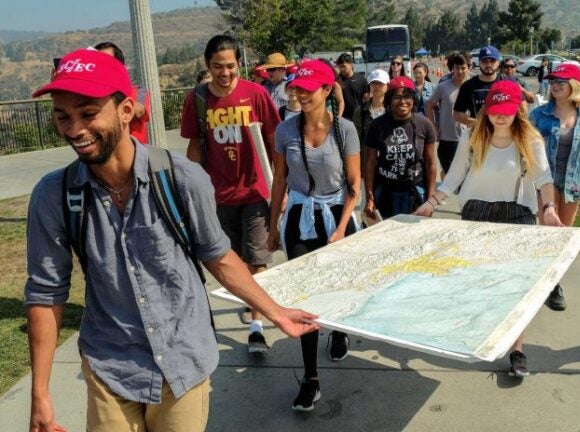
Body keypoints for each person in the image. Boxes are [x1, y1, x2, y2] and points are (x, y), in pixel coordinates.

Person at [25, 48, 318, 432]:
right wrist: (41, 395)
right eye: (63, 116)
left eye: (88, 113)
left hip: (183, 360)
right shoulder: (55, 195)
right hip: (109, 364)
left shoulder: (179, 178)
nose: (74, 129)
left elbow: (220, 257)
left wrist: (276, 312)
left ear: (126, 110)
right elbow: (47, 293)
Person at [415, 80, 564, 377]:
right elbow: (454, 176)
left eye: (506, 110)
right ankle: (483, 334)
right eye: (495, 110)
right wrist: (431, 202)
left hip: (517, 213)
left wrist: (548, 208)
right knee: (480, 281)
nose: (500, 116)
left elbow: (544, 178)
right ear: (486, 110)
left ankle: (517, 349)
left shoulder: (530, 139)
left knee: (516, 287)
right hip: (477, 212)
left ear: (517, 110)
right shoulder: (472, 136)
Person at [267, 60, 361, 411]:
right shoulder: (285, 130)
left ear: (326, 91)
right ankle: (310, 378)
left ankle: (338, 330)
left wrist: (340, 230)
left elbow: (354, 185)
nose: (300, 94)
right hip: (300, 218)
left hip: (337, 212)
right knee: (304, 296)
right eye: (296, 88)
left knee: (337, 285)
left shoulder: (345, 130)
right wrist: (273, 224)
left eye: (308, 89)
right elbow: (279, 180)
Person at [180, 35, 280, 354]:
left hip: (254, 193)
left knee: (257, 260)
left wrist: (280, 186)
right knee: (230, 263)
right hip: (217, 197)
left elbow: (276, 142)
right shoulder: (196, 100)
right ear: (207, 65)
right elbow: (194, 147)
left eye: (231, 67)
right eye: (217, 67)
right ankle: (251, 304)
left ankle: (256, 328)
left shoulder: (256, 95)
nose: (225, 73)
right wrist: (190, 190)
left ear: (240, 64)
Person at [530, 63, 580, 311]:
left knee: (562, 234)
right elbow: (526, 150)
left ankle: (554, 280)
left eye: (561, 81)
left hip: (573, 184)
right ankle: (549, 283)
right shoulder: (538, 115)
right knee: (546, 231)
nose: (555, 85)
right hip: (544, 183)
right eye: (552, 81)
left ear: (574, 85)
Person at [363, 76, 437, 219]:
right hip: (385, 192)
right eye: (397, 97)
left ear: (413, 99)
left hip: (415, 191)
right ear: (389, 100)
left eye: (407, 97)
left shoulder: (424, 124)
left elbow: (431, 163)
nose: (403, 101)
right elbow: (369, 163)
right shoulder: (376, 126)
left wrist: (430, 199)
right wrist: (369, 198)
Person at [94, 42, 150, 144]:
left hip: (134, 156)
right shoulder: (91, 95)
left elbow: (138, 111)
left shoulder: (139, 91)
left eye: (105, 61)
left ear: (120, 66)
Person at [427, 52, 470, 177]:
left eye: (463, 68)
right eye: (457, 68)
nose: (460, 71)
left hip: (468, 138)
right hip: (447, 138)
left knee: (466, 173)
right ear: (452, 68)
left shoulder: (472, 87)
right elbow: (429, 105)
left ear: (468, 68)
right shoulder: (443, 87)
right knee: (447, 171)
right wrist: (433, 127)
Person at [453, 45, 502, 128]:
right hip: (477, 137)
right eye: (484, 61)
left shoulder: (508, 83)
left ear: (498, 63)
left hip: (503, 136)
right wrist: (479, 124)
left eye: (492, 61)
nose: (488, 64)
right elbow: (457, 114)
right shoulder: (468, 86)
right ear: (479, 62)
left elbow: (521, 107)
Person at [353, 69, 389, 145]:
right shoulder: (359, 111)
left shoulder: (393, 109)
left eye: (380, 83)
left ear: (387, 86)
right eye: (373, 83)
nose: (376, 86)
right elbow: (357, 139)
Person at [336, 53, 367, 120]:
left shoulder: (361, 79)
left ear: (351, 64)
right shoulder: (337, 81)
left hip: (359, 117)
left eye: (344, 66)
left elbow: (366, 99)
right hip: (343, 117)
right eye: (340, 67)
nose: (341, 69)